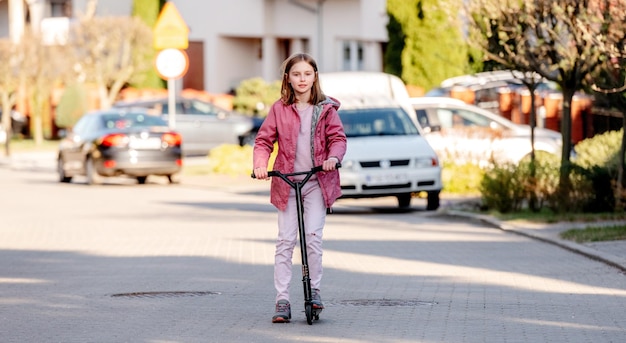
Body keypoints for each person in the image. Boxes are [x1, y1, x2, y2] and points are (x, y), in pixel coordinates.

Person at [252, 53, 347, 323]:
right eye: (296, 74)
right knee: (285, 240)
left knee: (313, 237)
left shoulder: (325, 109)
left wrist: (333, 158)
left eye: (307, 74)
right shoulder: (279, 109)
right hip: (286, 182)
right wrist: (261, 164)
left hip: (316, 181)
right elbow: (263, 141)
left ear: (314, 76)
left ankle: (314, 291)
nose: (302, 79)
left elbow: (338, 139)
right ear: (288, 78)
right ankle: (282, 299)